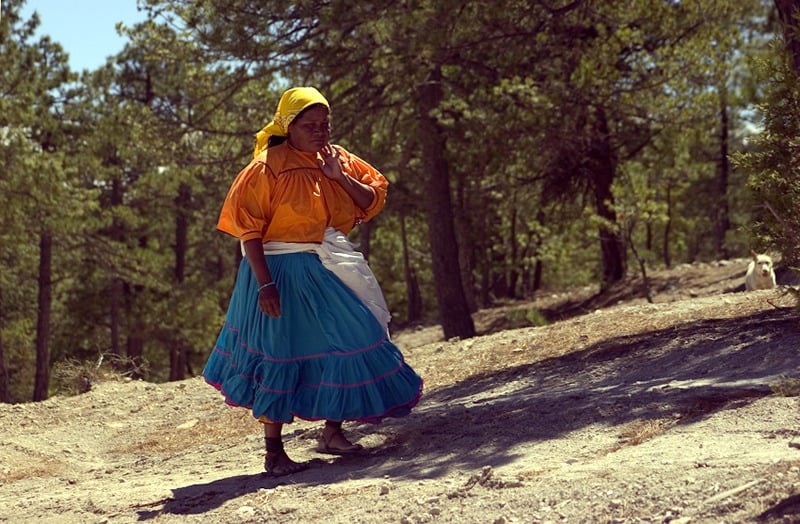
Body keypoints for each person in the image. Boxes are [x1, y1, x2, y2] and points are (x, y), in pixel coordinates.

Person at [203, 86, 423, 477]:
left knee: (356, 334)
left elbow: (372, 198)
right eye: (310, 125)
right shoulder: (267, 166)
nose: (320, 132)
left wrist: (339, 178)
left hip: (322, 263)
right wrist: (265, 285)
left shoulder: (335, 158)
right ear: (288, 126)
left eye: (325, 124)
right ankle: (274, 453)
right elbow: (248, 231)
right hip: (278, 271)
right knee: (280, 352)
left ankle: (333, 434)